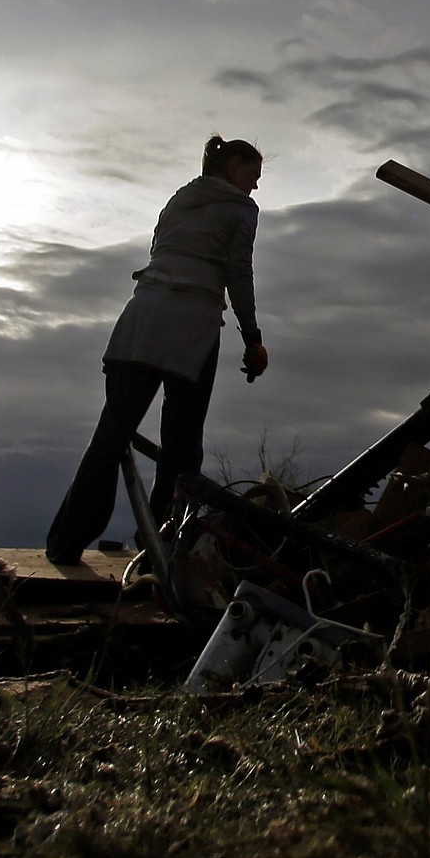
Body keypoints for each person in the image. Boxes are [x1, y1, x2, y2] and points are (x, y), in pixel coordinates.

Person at [45, 135, 269, 566]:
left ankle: (65, 543)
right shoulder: (241, 209)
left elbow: (159, 253)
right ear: (235, 166)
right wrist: (252, 334)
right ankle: (160, 548)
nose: (255, 187)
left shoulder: (176, 201)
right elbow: (238, 271)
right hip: (193, 325)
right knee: (182, 450)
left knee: (110, 436)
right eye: (253, 175)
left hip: (141, 320)